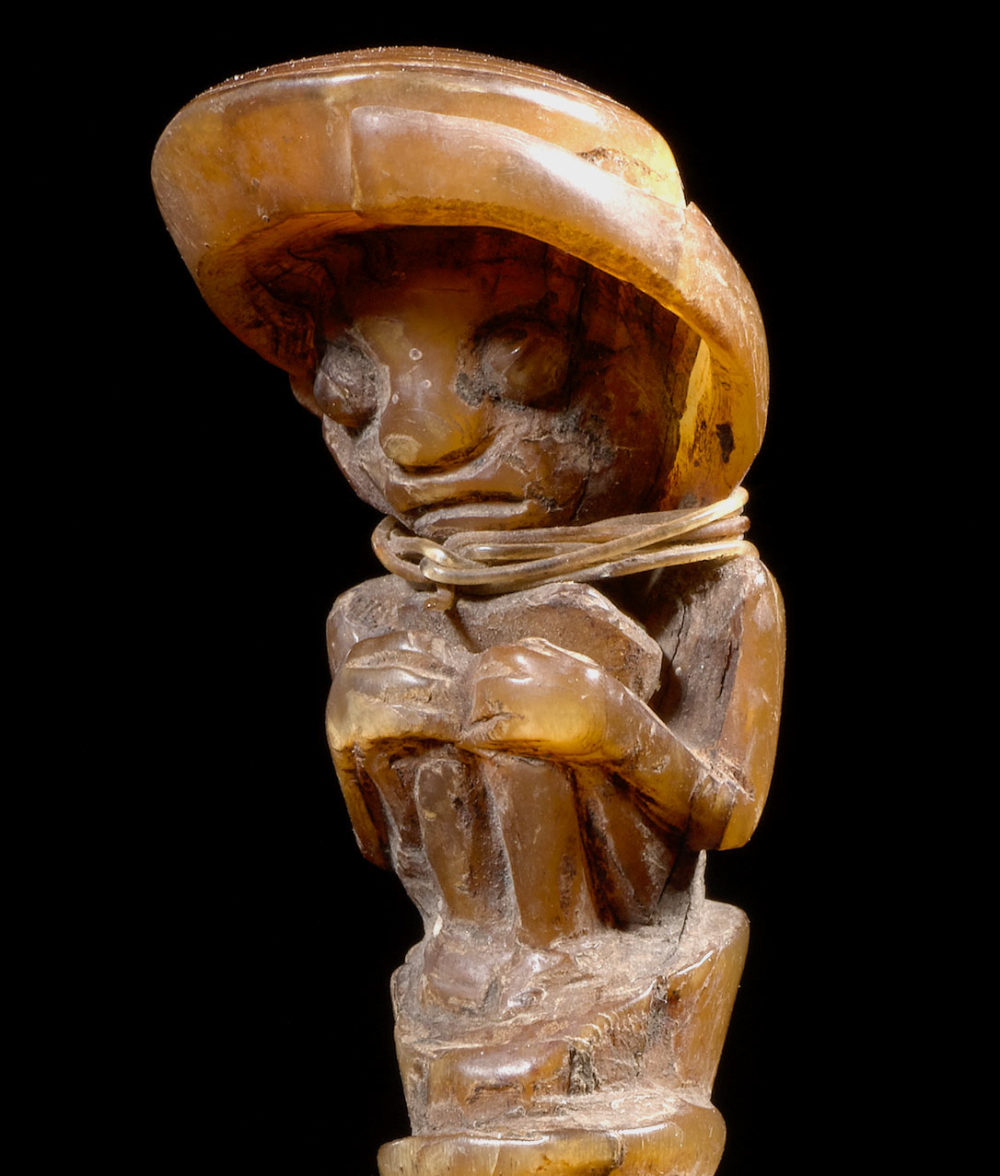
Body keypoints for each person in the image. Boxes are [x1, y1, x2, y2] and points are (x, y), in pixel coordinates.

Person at [154, 47, 784, 1175]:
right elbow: (382, 844)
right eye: (353, 388)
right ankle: (500, 956)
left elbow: (728, 813)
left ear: (661, 355)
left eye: (521, 364)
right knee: (400, 655)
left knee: (558, 640)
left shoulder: (717, 587)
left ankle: (549, 957)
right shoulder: (380, 612)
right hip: (462, 977)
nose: (417, 441)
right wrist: (365, 741)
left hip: (606, 968)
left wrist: (610, 728)